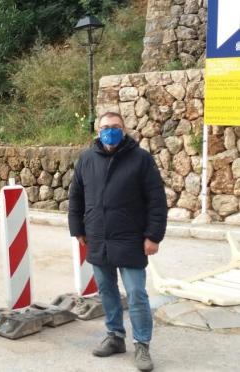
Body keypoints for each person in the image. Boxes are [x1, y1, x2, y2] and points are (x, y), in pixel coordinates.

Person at [68, 111, 167, 372]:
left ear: (124, 130)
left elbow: (156, 200)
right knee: (107, 291)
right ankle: (115, 336)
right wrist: (77, 229)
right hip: (98, 238)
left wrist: (153, 236)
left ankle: (142, 344)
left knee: (136, 293)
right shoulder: (87, 159)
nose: (109, 131)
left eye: (115, 126)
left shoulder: (141, 159)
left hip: (131, 239)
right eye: (105, 127)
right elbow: (76, 197)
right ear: (97, 131)